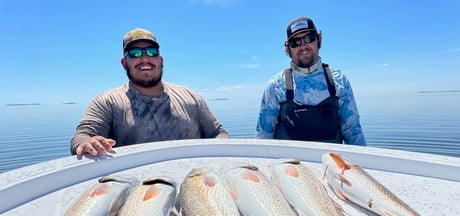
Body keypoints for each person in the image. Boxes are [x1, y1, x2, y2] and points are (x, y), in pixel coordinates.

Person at [71, 28, 229, 156]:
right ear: (124, 63)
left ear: (160, 60)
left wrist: (223, 152)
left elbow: (217, 133)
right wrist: (86, 143)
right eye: (135, 53)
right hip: (138, 188)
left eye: (151, 52)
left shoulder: (191, 97)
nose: (144, 59)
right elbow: (82, 136)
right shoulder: (107, 102)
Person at [256, 17, 366, 145]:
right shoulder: (275, 86)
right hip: (290, 164)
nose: (303, 46)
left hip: (331, 163)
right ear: (287, 49)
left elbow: (353, 132)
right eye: (295, 42)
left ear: (319, 39)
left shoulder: (339, 81)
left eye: (309, 38)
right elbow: (263, 138)